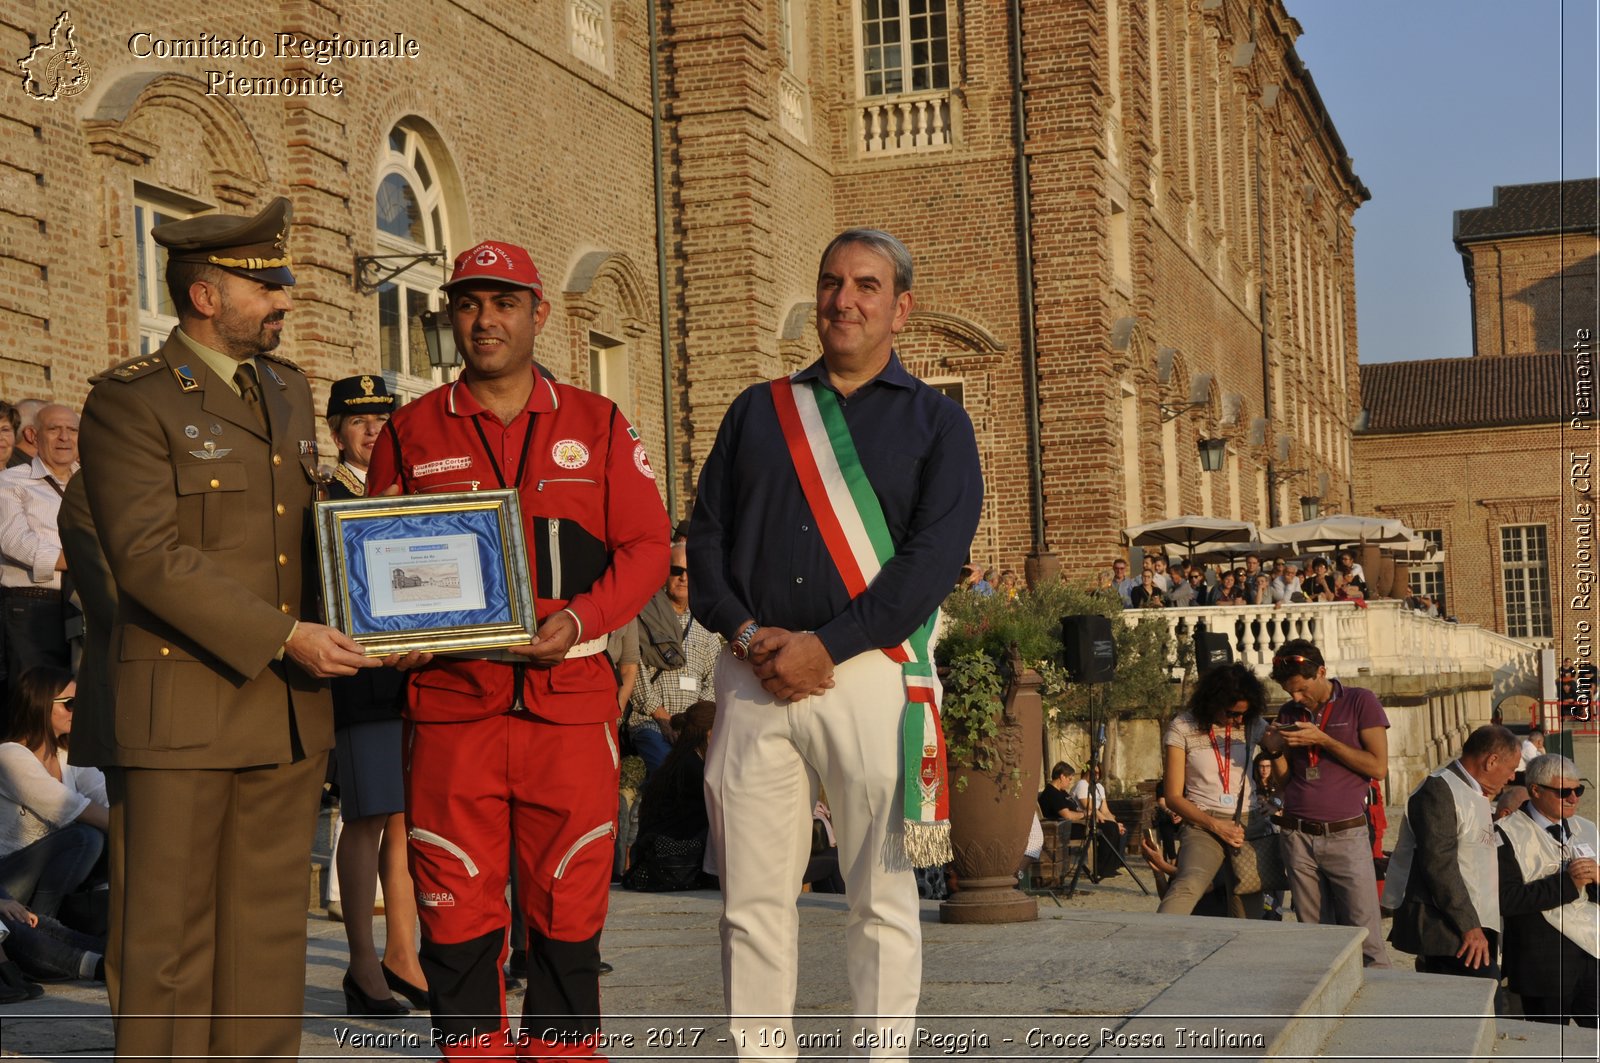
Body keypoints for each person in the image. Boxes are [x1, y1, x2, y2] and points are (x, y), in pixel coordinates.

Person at [75, 197, 381, 1059]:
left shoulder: (286, 388)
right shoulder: (129, 404)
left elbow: (302, 537)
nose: (284, 298)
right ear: (206, 295)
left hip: (285, 710)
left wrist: (383, 615)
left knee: (265, 938)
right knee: (166, 942)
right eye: (266, 284)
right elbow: (149, 559)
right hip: (182, 708)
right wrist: (290, 636)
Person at [365, 238, 669, 1058]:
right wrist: (390, 636)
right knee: (452, 903)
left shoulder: (598, 424)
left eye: (503, 303)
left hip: (568, 708)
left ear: (539, 313)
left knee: (570, 901)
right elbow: (376, 562)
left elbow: (646, 546)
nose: (485, 320)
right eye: (468, 304)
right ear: (451, 317)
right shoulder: (410, 431)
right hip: (452, 706)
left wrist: (580, 618)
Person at [689, 228, 982, 1059]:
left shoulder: (938, 424)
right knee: (749, 904)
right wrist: (746, 634)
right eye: (830, 283)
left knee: (882, 899)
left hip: (868, 676)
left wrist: (829, 642)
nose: (843, 300)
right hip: (752, 677)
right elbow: (704, 542)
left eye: (864, 284)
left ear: (901, 307)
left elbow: (930, 565)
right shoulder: (756, 410)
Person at [319, 374, 428, 1017]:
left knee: (404, 821)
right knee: (365, 817)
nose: (373, 430)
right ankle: (363, 964)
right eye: (359, 421)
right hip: (358, 674)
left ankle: (403, 953)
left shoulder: (407, 492)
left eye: (383, 419)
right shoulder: (324, 492)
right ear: (336, 430)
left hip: (410, 674)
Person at [1263, 639, 1392, 967]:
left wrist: (1324, 740)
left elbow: (1378, 767)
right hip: (1296, 834)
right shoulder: (1290, 712)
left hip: (1345, 834)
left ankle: (1381, 1013)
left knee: (1365, 936)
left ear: (1322, 671)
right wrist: (1275, 751)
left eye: (1302, 689)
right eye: (1290, 692)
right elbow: (1285, 781)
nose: (1296, 698)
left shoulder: (1360, 701)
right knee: (1315, 938)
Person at [1383, 725, 1520, 979]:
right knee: (1485, 995)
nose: (1512, 777)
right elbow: (1439, 864)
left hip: (1470, 919)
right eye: (1511, 769)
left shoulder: (1474, 792)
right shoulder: (1439, 790)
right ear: (1491, 761)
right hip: (1445, 924)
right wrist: (1469, 925)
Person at [1156, 662, 1268, 919]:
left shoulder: (1252, 723)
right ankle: (1154, 945)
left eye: (1243, 713)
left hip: (1248, 824)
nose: (1238, 719)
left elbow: (1281, 762)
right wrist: (1216, 825)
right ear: (1212, 702)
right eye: (1231, 713)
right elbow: (1173, 796)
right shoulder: (1182, 726)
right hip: (1202, 823)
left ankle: (1242, 958)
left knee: (1248, 909)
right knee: (1189, 884)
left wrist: (1276, 749)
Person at [1495, 753, 1600, 1026]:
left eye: (1579, 789)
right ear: (1536, 790)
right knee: (1551, 1046)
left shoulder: (1587, 828)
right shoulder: (1504, 833)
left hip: (1592, 953)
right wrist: (1569, 883)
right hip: (1543, 960)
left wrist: (1598, 878)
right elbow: (1505, 900)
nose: (1574, 798)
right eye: (1564, 791)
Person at [0, 667, 106, 917]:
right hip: (8, 875)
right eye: (69, 703)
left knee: (104, 837)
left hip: (44, 874)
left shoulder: (67, 755)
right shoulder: (9, 756)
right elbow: (69, 806)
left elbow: (104, 796)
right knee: (86, 837)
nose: (77, 710)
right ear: (41, 704)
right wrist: (136, 835)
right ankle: (43, 927)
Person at [627, 539, 720, 778]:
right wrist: (661, 716)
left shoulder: (705, 625)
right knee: (667, 772)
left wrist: (694, 723)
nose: (683, 578)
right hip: (650, 721)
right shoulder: (644, 617)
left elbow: (714, 677)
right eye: (676, 571)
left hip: (694, 728)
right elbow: (634, 669)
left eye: (690, 572)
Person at [0, 403, 80, 679]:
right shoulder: (10, 481)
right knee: (36, 700)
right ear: (34, 435)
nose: (64, 437)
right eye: (54, 429)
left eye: (72, 430)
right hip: (34, 604)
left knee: (77, 696)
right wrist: (81, 559)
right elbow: (14, 541)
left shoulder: (92, 483)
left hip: (83, 602)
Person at [623, 699, 717, 891]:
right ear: (710, 733)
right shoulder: (694, 769)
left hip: (659, 855)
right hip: (674, 858)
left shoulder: (680, 761)